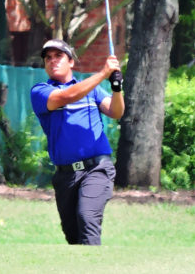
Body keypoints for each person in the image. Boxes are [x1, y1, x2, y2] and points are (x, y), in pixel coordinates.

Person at [30, 39, 125, 245]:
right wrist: (102, 73)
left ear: (71, 62)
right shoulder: (40, 91)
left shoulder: (93, 90)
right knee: (73, 236)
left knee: (87, 216)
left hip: (97, 168)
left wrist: (116, 88)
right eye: (48, 58)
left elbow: (116, 112)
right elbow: (66, 96)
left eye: (58, 56)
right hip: (66, 176)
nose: (53, 61)